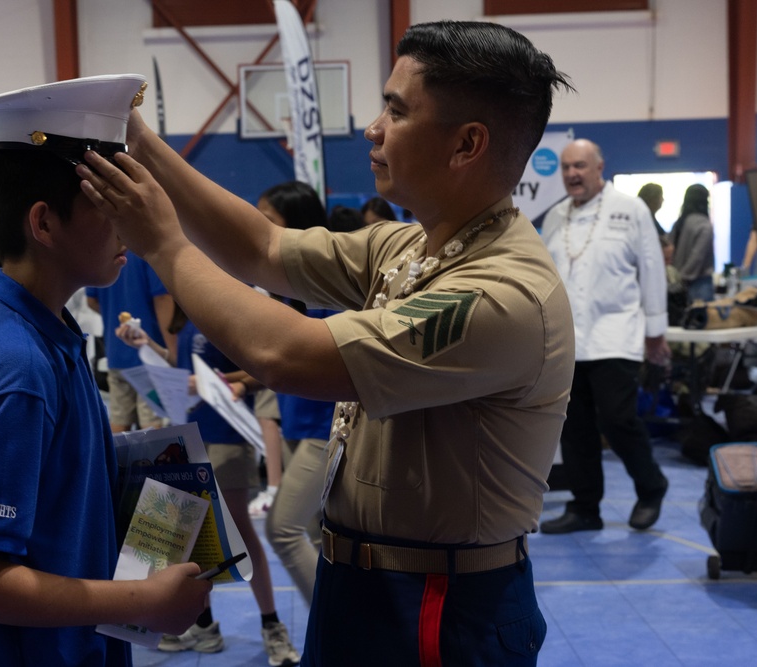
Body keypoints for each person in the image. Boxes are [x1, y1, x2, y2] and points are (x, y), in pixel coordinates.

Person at [79, 21, 575, 666]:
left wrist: (162, 246)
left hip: (437, 598)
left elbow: (288, 356)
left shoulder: (501, 293)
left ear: (466, 144)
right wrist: (140, 143)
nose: (373, 128)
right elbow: (260, 247)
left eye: (395, 111)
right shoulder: (408, 246)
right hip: (362, 579)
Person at [0, 74, 210, 667]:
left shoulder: (48, 333)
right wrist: (142, 600)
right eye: (108, 205)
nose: (129, 222)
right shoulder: (13, 364)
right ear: (43, 223)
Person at [116, 304, 301, 665]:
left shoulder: (225, 308)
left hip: (226, 435)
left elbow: (256, 370)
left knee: (239, 532)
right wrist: (148, 345)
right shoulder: (185, 312)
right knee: (190, 531)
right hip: (189, 431)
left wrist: (205, 383)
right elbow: (181, 363)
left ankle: (271, 624)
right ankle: (203, 623)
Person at [540, 138, 671, 535]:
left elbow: (652, 270)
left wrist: (656, 332)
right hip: (568, 343)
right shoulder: (554, 218)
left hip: (617, 336)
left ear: (600, 168)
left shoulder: (630, 211)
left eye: (580, 166)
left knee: (617, 420)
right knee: (574, 427)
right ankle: (585, 508)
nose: (572, 174)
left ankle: (651, 487)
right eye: (565, 168)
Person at [253, 182, 338, 605]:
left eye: (269, 218)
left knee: (281, 530)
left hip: (323, 429)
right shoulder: (282, 285)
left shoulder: (324, 287)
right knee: (314, 535)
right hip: (296, 420)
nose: (257, 224)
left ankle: (333, 633)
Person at [85, 250, 174, 432]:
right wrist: (172, 348)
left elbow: (91, 300)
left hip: (116, 354)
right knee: (152, 424)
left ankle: (116, 462)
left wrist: (118, 323)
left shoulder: (103, 254)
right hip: (149, 355)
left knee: (119, 419)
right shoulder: (147, 252)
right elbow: (163, 297)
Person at [670, 183, 715, 303]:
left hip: (677, 284)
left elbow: (670, 251)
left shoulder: (679, 223)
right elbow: (697, 256)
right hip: (700, 285)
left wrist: (676, 278)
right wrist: (684, 276)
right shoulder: (704, 225)